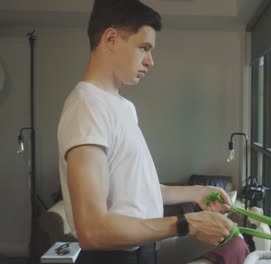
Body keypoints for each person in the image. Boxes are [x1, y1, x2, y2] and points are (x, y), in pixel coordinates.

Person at [57, 1, 234, 263]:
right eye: (144, 48)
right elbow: (92, 230)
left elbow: (139, 192)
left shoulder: (123, 107)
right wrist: (188, 224)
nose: (151, 61)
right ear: (111, 39)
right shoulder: (87, 107)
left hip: (143, 250)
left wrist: (197, 191)